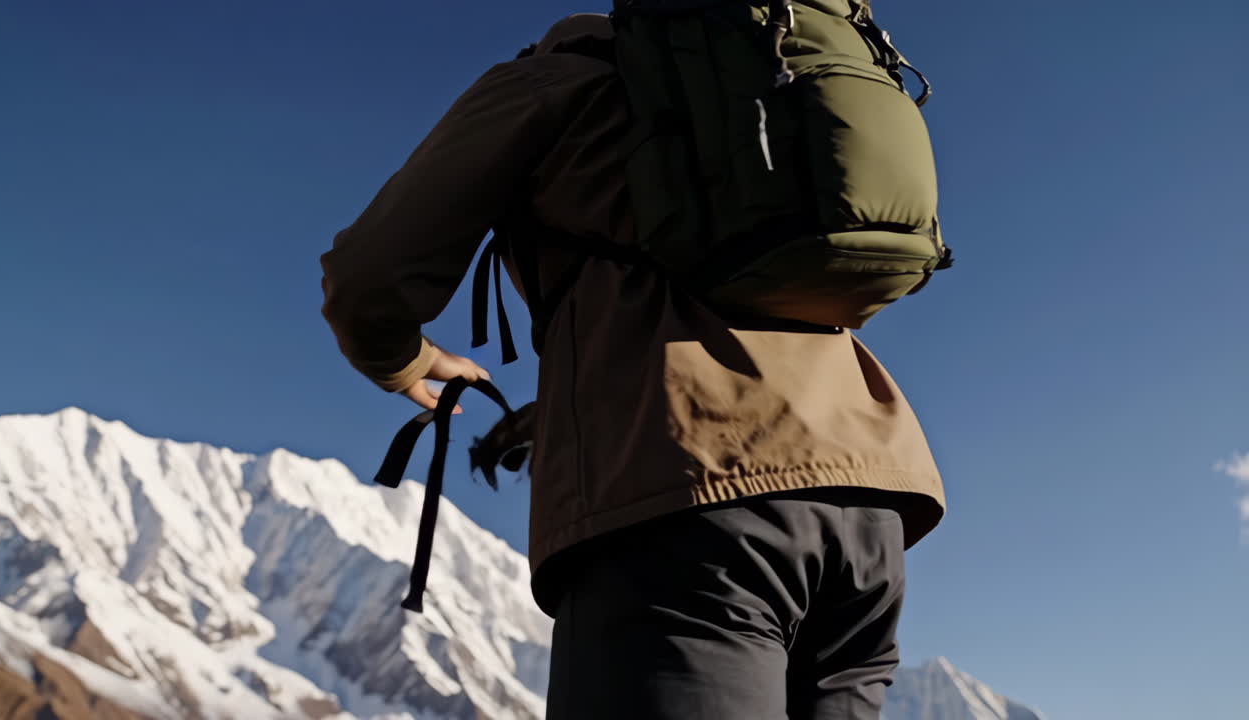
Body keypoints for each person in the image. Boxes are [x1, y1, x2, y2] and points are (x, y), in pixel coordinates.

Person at [320, 10, 946, 720]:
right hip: (867, 511)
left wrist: (403, 359)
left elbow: (367, 280)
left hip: (687, 506)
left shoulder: (554, 81)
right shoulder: (766, 82)